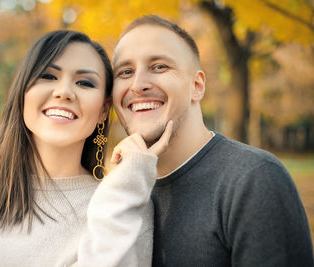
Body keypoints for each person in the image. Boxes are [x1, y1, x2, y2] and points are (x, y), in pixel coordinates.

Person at [0, 30, 172, 266]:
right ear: (23, 92)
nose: (64, 92)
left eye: (85, 82)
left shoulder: (126, 202)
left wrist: (129, 182)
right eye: (48, 76)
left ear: (104, 110)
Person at [112, 15, 314, 266]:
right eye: (126, 71)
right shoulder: (117, 191)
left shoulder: (253, 179)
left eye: (159, 67)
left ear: (197, 86)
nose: (138, 84)